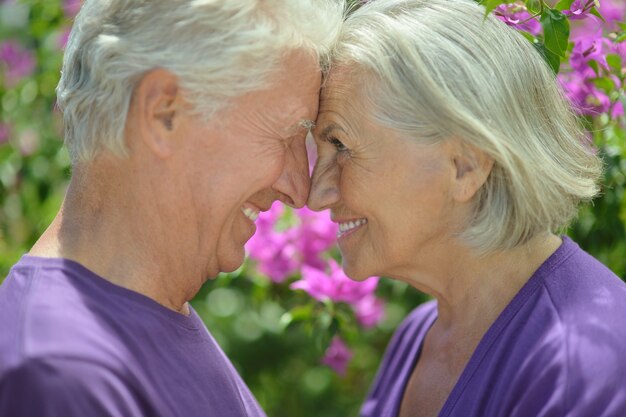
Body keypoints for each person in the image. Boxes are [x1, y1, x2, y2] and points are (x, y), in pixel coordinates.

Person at [0, 1, 342, 416]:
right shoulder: (63, 372)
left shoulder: (137, 313)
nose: (299, 189)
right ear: (163, 113)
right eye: (287, 133)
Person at [307, 0, 626, 416]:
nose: (316, 195)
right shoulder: (420, 336)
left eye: (341, 146)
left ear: (466, 166)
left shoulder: (581, 369)